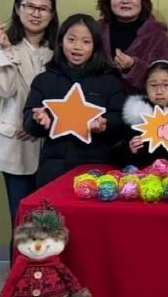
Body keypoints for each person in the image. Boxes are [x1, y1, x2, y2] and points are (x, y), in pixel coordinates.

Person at [0, 0, 59, 233]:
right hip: (16, 143)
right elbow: (2, 89)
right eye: (30, 6)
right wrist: (6, 51)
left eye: (43, 8)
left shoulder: (58, 50)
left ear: (52, 14)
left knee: (51, 221)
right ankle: (19, 261)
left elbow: (65, 96)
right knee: (22, 222)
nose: (36, 13)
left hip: (50, 144)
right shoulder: (3, 46)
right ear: (18, 9)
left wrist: (37, 127)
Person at [23, 14, 125, 187]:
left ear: (95, 46)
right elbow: (28, 122)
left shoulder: (110, 81)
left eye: (86, 41)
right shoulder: (44, 80)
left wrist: (105, 123)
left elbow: (120, 119)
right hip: (53, 168)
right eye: (71, 39)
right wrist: (38, 120)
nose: (78, 46)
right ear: (61, 41)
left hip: (96, 169)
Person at [97, 0, 168, 93]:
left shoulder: (157, 35)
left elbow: (164, 79)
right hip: (99, 101)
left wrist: (133, 66)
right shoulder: (96, 30)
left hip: (141, 102)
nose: (125, 0)